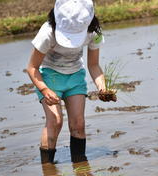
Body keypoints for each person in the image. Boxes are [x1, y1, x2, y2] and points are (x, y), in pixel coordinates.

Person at [26, 0, 115, 164]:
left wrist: (102, 87)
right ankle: (48, 170)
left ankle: (81, 169)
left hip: (75, 76)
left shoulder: (94, 32)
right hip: (49, 77)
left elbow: (94, 65)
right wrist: (45, 90)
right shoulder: (47, 32)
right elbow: (32, 68)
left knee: (78, 124)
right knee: (55, 121)